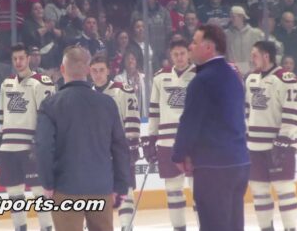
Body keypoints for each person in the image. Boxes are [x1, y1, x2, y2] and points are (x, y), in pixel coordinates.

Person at [35, 46, 131, 231]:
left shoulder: (50, 105)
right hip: (101, 187)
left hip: (65, 188)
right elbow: (120, 147)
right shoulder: (107, 103)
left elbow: (43, 147)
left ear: (63, 70)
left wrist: (47, 183)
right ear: (88, 70)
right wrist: (121, 185)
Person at [172, 24, 250, 231]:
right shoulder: (233, 75)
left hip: (214, 166)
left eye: (195, 42)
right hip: (239, 162)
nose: (190, 46)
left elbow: (190, 121)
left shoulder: (203, 80)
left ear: (208, 48)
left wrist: (179, 154)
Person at [0, 43, 55, 231]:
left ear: (28, 58)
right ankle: (20, 228)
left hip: (31, 147)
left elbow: (47, 117)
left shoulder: (41, 82)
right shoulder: (6, 84)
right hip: (8, 148)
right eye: (15, 59)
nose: (18, 62)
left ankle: (47, 227)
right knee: (14, 193)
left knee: (39, 192)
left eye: (22, 58)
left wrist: (41, 143)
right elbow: (1, 117)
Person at [246, 41, 297, 231]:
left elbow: (293, 112)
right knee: (259, 192)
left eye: (254, 55)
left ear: (266, 56)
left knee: (285, 189)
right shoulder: (250, 78)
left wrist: (284, 140)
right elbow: (247, 111)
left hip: (278, 146)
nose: (252, 59)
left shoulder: (286, 79)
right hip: (254, 147)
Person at [142, 39, 196, 231]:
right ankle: (178, 228)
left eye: (182, 53)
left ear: (188, 53)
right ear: (170, 56)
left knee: (199, 191)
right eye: (175, 54)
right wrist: (151, 138)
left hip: (194, 143)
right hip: (166, 142)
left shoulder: (200, 75)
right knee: (173, 190)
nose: (179, 58)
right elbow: (154, 111)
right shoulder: (160, 77)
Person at [90, 55, 140, 231]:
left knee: (125, 190)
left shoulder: (122, 90)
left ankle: (127, 226)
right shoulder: (87, 95)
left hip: (119, 151)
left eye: (101, 70)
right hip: (96, 154)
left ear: (109, 71)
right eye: (94, 71)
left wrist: (132, 146)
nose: (98, 74)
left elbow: (132, 118)